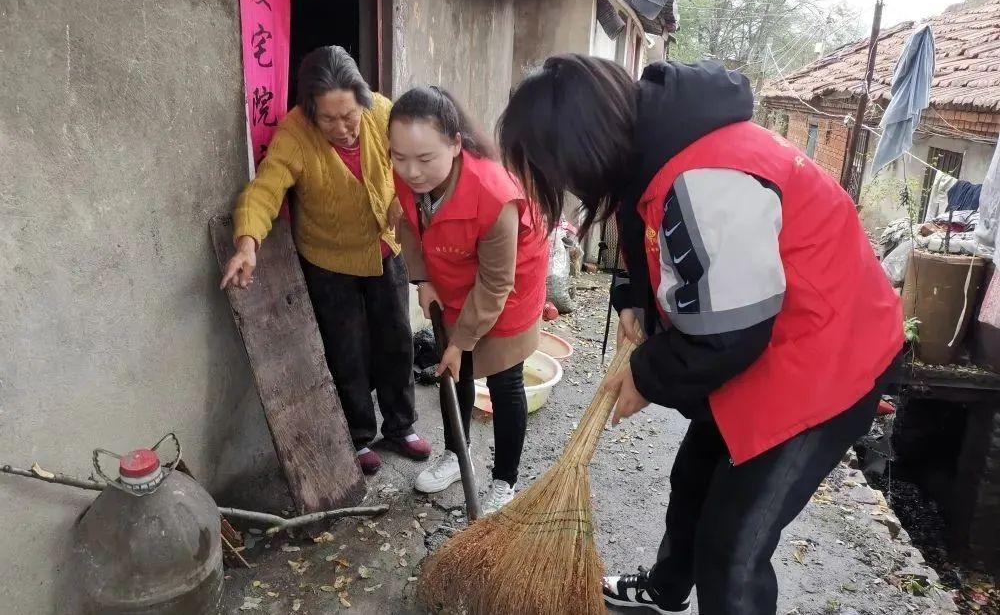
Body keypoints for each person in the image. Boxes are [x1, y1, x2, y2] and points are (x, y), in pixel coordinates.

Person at [497, 55, 903, 615]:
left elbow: (729, 335)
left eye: (558, 171)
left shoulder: (709, 178)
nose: (565, 185)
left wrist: (646, 374)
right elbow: (663, 246)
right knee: (694, 480)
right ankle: (666, 590)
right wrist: (635, 303)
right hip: (769, 339)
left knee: (733, 547)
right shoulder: (659, 147)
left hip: (828, 362)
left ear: (583, 149)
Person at [220, 46, 431, 475]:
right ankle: (356, 436)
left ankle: (400, 426)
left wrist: (405, 201)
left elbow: (416, 163)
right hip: (329, 261)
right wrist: (247, 245)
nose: (342, 128)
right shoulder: (295, 134)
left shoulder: (383, 114)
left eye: (349, 115)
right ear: (309, 109)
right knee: (346, 350)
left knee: (397, 340)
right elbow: (264, 190)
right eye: (328, 118)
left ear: (363, 100)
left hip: (384, 250)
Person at [388, 86, 548, 514]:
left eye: (424, 159)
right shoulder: (407, 177)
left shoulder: (494, 195)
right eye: (399, 157)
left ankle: (504, 481)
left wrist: (461, 341)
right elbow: (406, 223)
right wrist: (422, 280)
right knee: (451, 374)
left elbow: (496, 284)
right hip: (452, 273)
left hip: (508, 286)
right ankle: (457, 457)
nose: (411, 171)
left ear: (456, 144)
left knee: (503, 382)